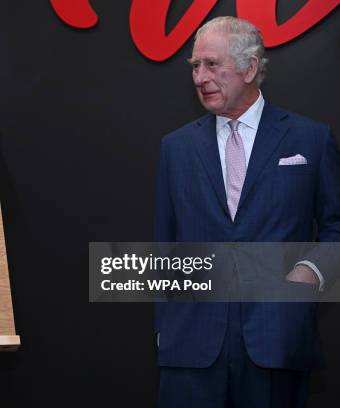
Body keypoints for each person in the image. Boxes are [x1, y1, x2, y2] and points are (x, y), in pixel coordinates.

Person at [154, 16, 340, 407]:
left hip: (278, 340)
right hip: (190, 347)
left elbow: (336, 227)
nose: (199, 77)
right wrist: (164, 327)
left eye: (211, 64)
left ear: (250, 67)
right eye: (194, 66)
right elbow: (164, 243)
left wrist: (311, 273)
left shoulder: (311, 138)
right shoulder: (176, 147)